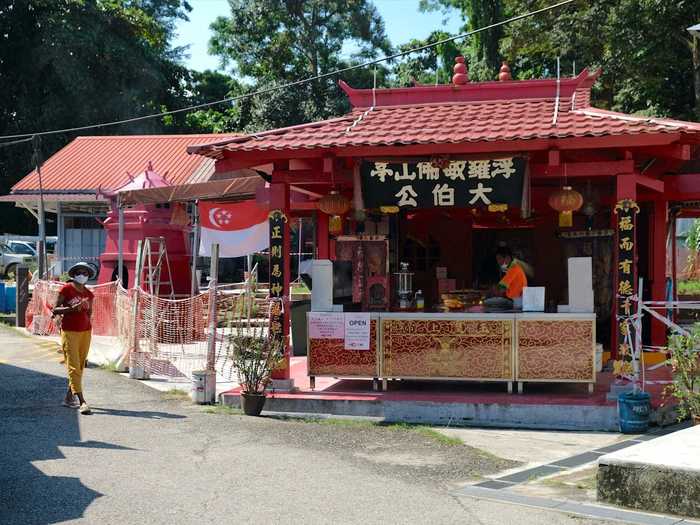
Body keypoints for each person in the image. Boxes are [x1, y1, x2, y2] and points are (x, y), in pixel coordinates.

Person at [52, 262, 95, 414]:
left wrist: (86, 315)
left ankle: (68, 397)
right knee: (73, 366)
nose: (82, 275)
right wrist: (70, 309)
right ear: (74, 274)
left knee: (80, 366)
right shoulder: (66, 289)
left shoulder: (89, 294)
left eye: (85, 273)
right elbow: (55, 309)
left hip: (85, 332)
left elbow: (89, 314)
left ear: (89, 276)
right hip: (69, 331)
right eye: (79, 272)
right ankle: (82, 401)